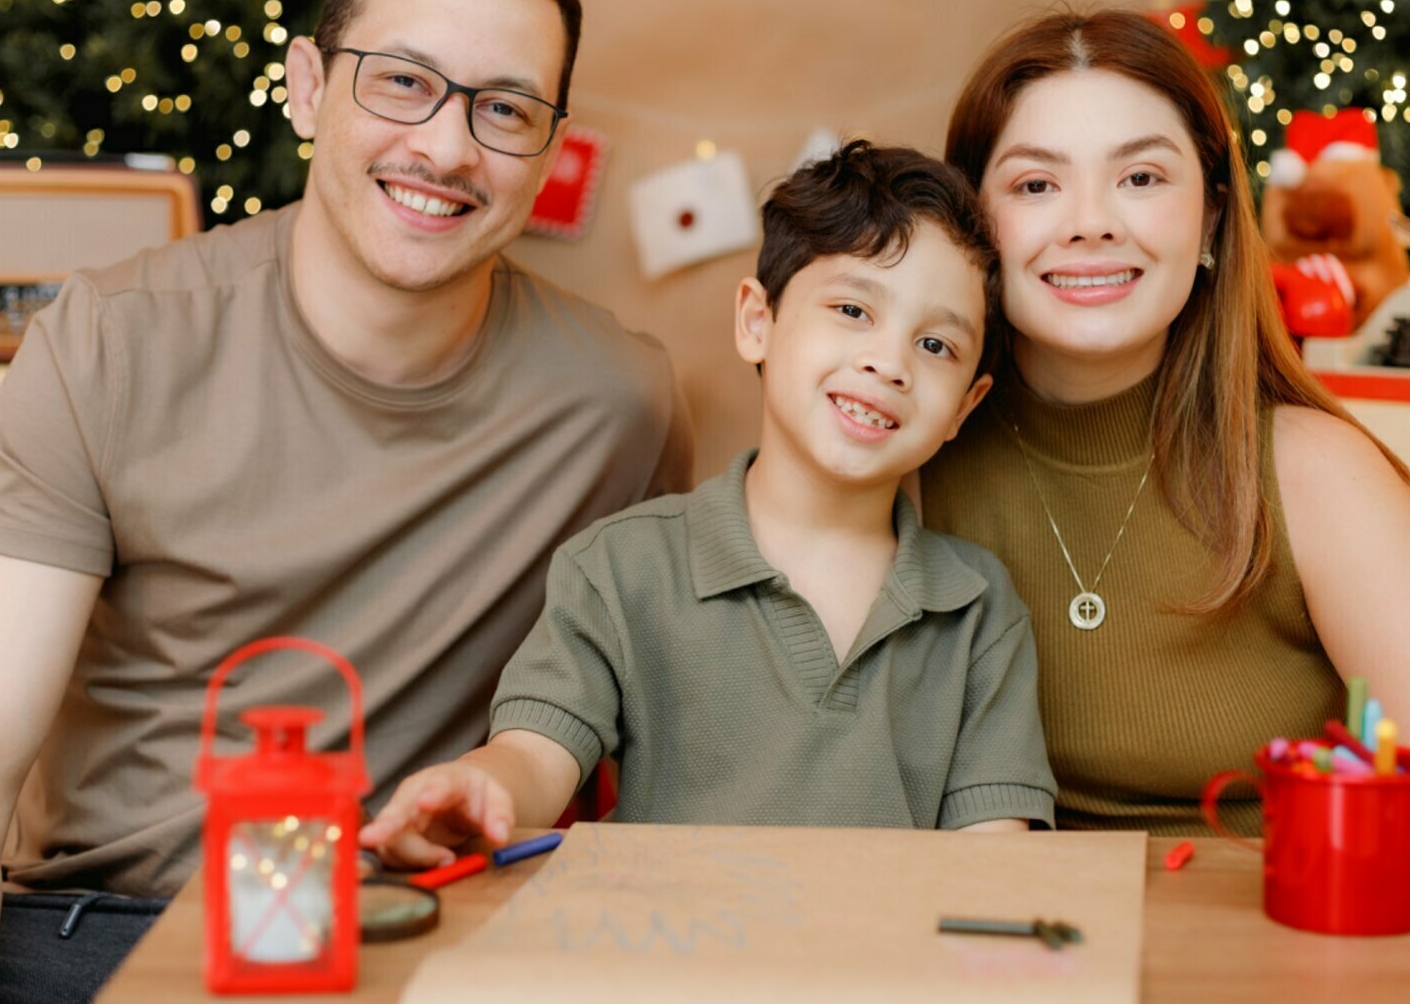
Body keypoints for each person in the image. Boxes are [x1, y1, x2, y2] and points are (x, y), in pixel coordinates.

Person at [0, 0, 692, 1003]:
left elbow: (643, 725)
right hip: (97, 933)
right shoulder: (111, 344)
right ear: (308, 86)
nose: (445, 146)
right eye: (402, 81)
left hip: (398, 940)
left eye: (504, 108)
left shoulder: (618, 403)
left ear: (547, 148)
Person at [921, 7, 1410, 995]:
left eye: (1142, 177)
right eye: (1036, 184)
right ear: (975, 226)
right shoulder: (915, 458)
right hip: (1076, 947)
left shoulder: (1307, 468)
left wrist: (1301, 975)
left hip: (1374, 928)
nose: (1090, 220)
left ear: (1214, 220)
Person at [360, 144, 1057, 865]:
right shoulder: (619, 567)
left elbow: (994, 858)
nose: (889, 363)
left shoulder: (978, 609)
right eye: (853, 309)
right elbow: (534, 756)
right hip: (669, 938)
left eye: (936, 345)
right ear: (757, 321)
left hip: (889, 942)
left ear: (965, 406)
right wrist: (482, 787)